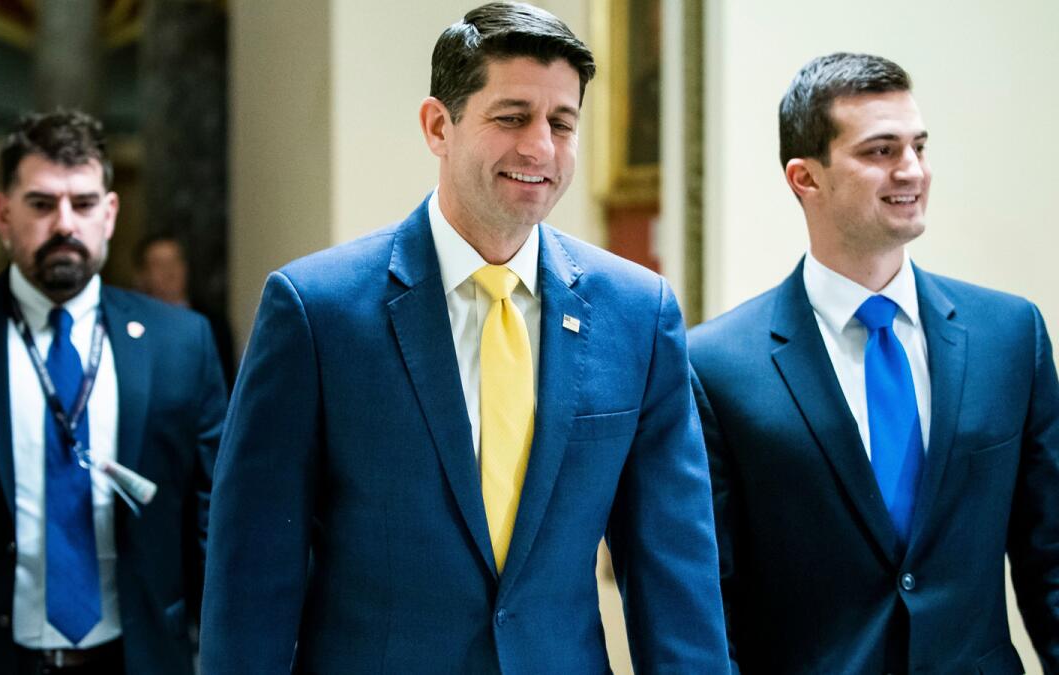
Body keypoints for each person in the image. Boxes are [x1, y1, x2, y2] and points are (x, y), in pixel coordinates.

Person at [201, 2, 728, 673]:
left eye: (561, 124)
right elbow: (252, 576)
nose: (539, 146)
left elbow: (674, 572)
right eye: (511, 117)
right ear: (437, 125)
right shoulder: (315, 311)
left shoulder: (638, 313)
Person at [688, 52, 1059, 673]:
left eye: (918, 146)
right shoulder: (715, 365)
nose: (911, 170)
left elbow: (1051, 556)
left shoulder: (1010, 335)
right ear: (805, 178)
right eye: (880, 151)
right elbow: (708, 596)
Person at [0, 110, 226, 674]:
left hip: (135, 660)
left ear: (109, 213)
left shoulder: (183, 344)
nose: (63, 224)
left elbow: (213, 528)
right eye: (40, 203)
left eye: (81, 203)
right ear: (3, 214)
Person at [133, 233, 236, 390]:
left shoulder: (213, 324)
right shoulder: (132, 325)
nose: (170, 271)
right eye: (159, 264)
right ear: (142, 275)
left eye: (175, 261)